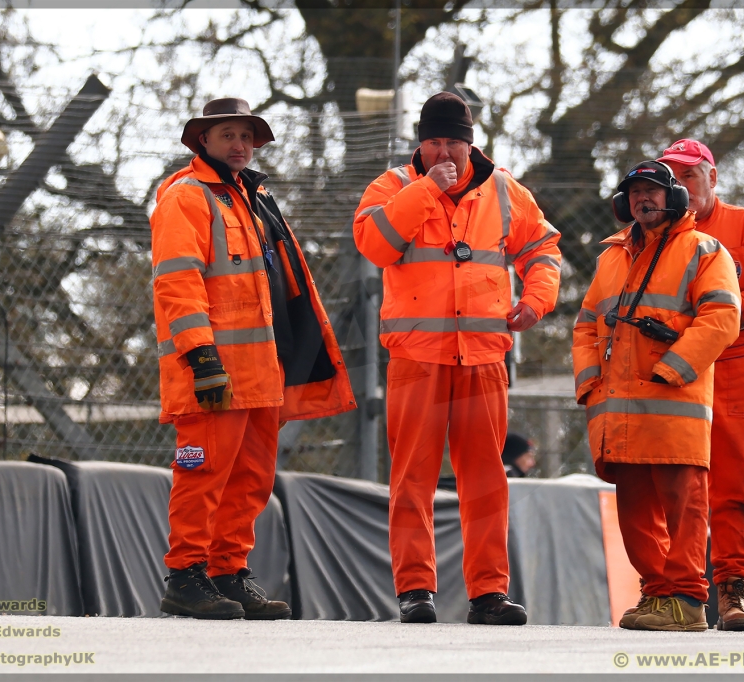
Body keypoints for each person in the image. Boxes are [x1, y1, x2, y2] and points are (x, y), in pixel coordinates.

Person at [354, 92, 561, 625]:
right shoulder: (394, 187)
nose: (442, 150)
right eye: (432, 141)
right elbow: (374, 245)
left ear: (471, 142)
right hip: (417, 357)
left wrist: (537, 300)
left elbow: (543, 250)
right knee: (412, 478)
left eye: (452, 141)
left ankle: (489, 594)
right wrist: (428, 189)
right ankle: (415, 590)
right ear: (419, 143)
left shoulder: (505, 190)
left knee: (487, 479)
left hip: (484, 358)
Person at [151, 98, 356, 619]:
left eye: (246, 136)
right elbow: (177, 282)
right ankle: (185, 575)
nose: (239, 145)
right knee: (203, 472)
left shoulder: (253, 196)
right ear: (204, 141)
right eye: (227, 135)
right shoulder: (187, 197)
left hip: (263, 370)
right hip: (213, 370)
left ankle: (226, 571)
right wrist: (200, 357)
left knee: (251, 477)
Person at [571, 160, 740, 631]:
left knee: (684, 502)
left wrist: (672, 370)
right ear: (624, 203)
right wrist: (589, 383)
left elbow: (722, 318)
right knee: (635, 505)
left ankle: (686, 600)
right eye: (635, 192)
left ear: (675, 199)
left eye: (653, 191)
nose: (643, 199)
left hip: (675, 403)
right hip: (620, 408)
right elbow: (586, 324)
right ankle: (658, 595)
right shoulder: (611, 257)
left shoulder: (705, 250)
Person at [657, 139, 744, 631]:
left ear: (713, 177)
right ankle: (674, 591)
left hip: (734, 366)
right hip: (673, 368)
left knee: (735, 479)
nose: (683, 186)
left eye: (691, 175)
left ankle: (733, 591)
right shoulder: (658, 230)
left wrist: (711, 320)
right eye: (674, 177)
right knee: (673, 480)